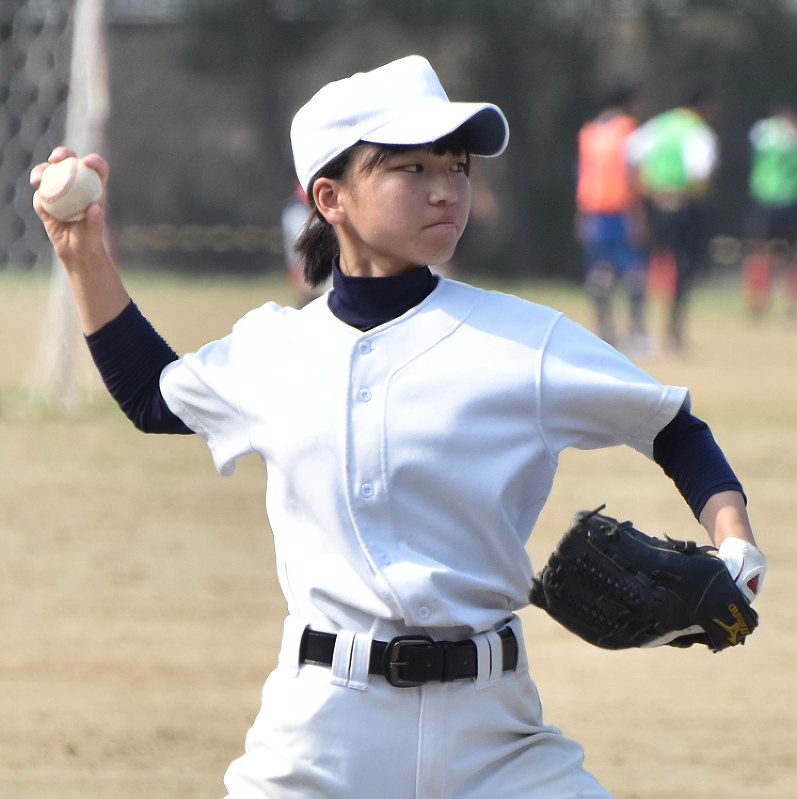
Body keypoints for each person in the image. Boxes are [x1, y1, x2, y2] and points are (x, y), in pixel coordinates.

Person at [32, 55, 765, 799]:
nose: (446, 187)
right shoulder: (273, 349)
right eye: (410, 168)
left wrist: (733, 538)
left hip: (496, 736)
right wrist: (85, 254)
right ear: (331, 197)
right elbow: (154, 398)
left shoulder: (522, 340)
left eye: (455, 164)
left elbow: (672, 427)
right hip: (321, 731)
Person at [626, 89, 720, 351]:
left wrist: (648, 191)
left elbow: (632, 155)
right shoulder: (698, 131)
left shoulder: (660, 124)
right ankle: (672, 332)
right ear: (703, 106)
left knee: (652, 263)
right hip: (684, 205)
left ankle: (639, 328)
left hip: (656, 203)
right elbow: (700, 170)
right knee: (683, 267)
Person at [575, 86, 650, 352]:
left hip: (593, 209)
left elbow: (582, 174)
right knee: (634, 272)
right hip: (623, 208)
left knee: (600, 272)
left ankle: (605, 333)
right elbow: (634, 174)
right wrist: (639, 214)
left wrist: (581, 216)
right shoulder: (630, 131)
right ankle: (636, 334)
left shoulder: (589, 131)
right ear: (628, 103)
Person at [742, 99, 797, 320]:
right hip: (789, 199)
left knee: (759, 251)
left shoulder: (762, 130)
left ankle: (757, 302)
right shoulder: (792, 134)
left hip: (763, 197)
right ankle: (791, 302)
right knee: (791, 254)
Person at [281, 181, 328, 307]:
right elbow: (291, 248)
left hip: (330, 284)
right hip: (307, 283)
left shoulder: (329, 213)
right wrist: (294, 270)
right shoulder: (293, 215)